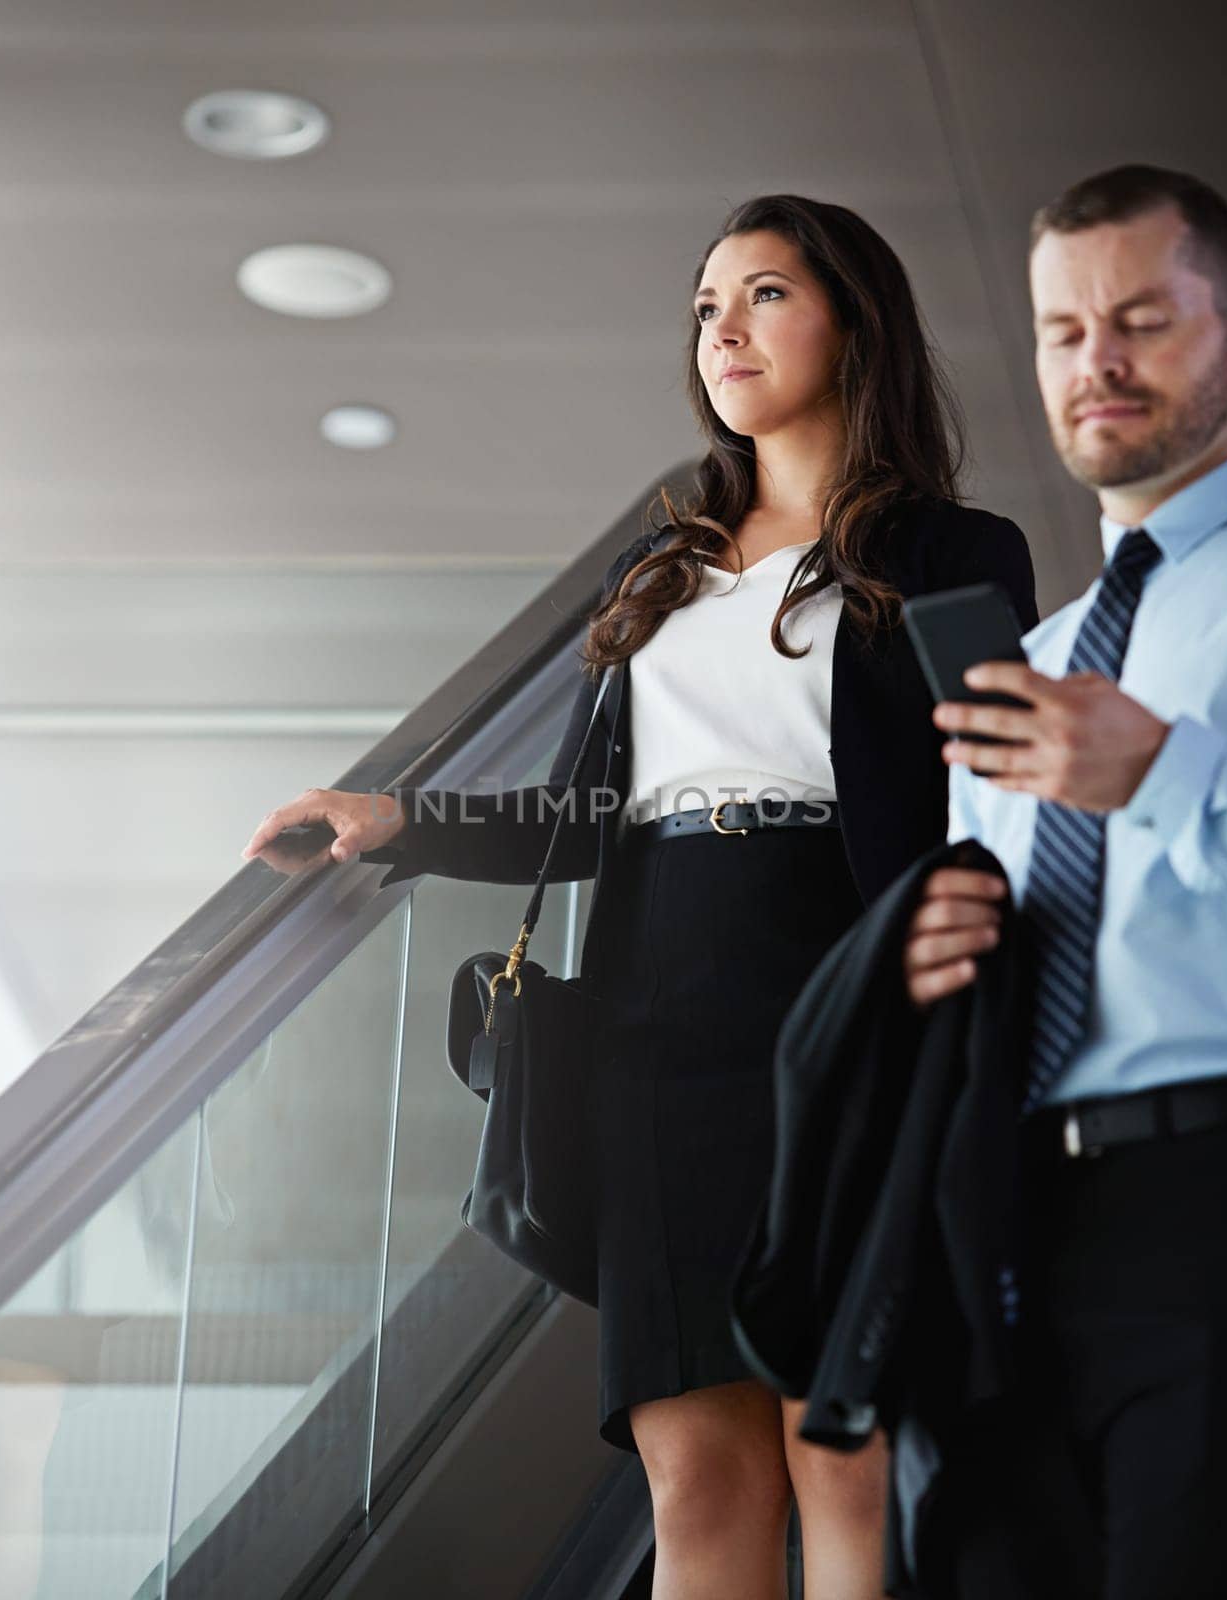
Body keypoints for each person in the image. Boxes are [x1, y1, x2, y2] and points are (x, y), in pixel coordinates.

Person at [244, 193, 1036, 1600]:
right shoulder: (659, 571)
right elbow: (584, 816)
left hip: (851, 1002)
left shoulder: (950, 553)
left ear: (855, 322)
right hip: (657, 1016)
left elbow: (999, 804)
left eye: (767, 296)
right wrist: (397, 820)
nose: (722, 330)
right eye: (705, 309)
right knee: (695, 1471)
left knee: (838, 1451)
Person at [904, 163, 1227, 1597]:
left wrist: (1166, 771)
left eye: (1139, 322)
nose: (1095, 364)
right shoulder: (1035, 658)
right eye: (1063, 331)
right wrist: (939, 953)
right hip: (1010, 1212)